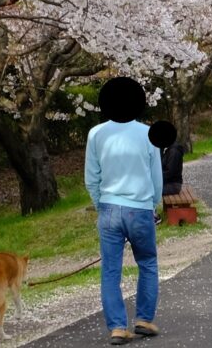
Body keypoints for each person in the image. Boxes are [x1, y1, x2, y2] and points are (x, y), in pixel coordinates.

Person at [85, 77, 162, 345]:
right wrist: (153, 205)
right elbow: (156, 178)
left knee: (110, 271)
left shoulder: (95, 134)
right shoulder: (147, 134)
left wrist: (101, 204)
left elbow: (91, 177)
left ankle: (117, 327)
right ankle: (143, 319)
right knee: (148, 264)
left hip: (109, 209)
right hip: (140, 209)